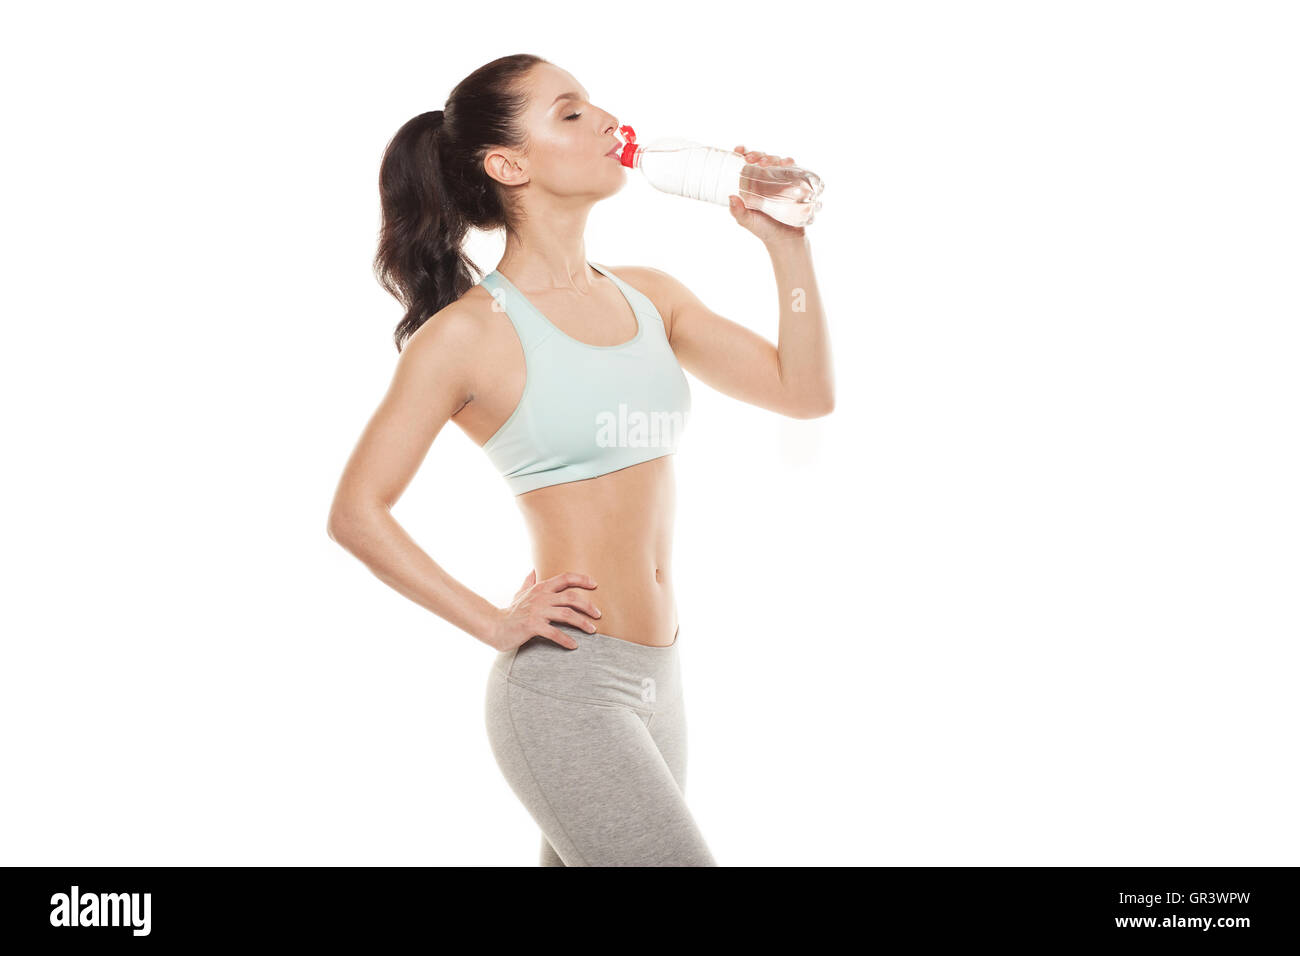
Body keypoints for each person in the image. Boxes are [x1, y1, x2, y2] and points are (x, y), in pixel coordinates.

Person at [326, 53, 834, 866]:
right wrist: (495, 623)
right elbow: (356, 512)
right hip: (567, 689)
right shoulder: (466, 334)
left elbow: (802, 392)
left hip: (662, 680)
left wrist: (786, 246)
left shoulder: (651, 296)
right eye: (570, 112)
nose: (604, 119)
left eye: (595, 103)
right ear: (508, 164)